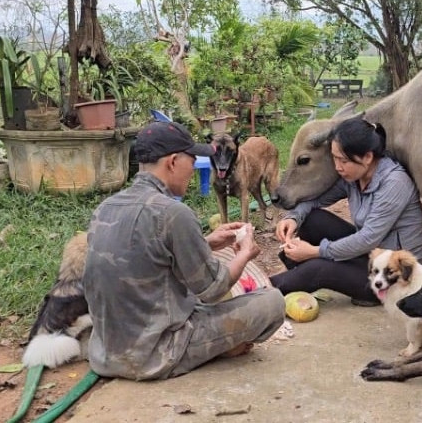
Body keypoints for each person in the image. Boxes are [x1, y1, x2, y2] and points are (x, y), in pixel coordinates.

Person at [82, 121, 284, 380]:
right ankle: (216, 349)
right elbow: (214, 289)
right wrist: (245, 252)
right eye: (192, 161)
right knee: (273, 301)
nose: (194, 170)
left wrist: (205, 242)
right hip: (157, 354)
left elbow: (144, 255)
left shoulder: (105, 208)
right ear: (173, 162)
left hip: (104, 354)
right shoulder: (174, 213)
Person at [271, 118, 422, 306]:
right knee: (312, 220)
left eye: (343, 160)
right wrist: (293, 218)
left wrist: (315, 252)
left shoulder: (394, 183)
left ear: (367, 157)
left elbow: (367, 238)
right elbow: (316, 200)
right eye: (335, 158)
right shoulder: (353, 177)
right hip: (371, 255)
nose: (337, 167)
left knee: (320, 268)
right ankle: (304, 276)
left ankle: (263, 290)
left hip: (394, 276)